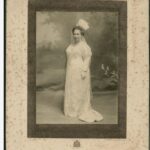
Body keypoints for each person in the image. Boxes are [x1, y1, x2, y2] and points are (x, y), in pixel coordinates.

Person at [64, 19, 103, 123]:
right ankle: (72, 110)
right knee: (72, 89)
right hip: (70, 70)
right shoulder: (71, 45)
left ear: (81, 35)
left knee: (79, 89)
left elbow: (87, 58)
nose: (76, 36)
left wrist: (84, 70)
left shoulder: (84, 46)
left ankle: (79, 110)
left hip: (79, 69)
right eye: (74, 34)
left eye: (78, 34)